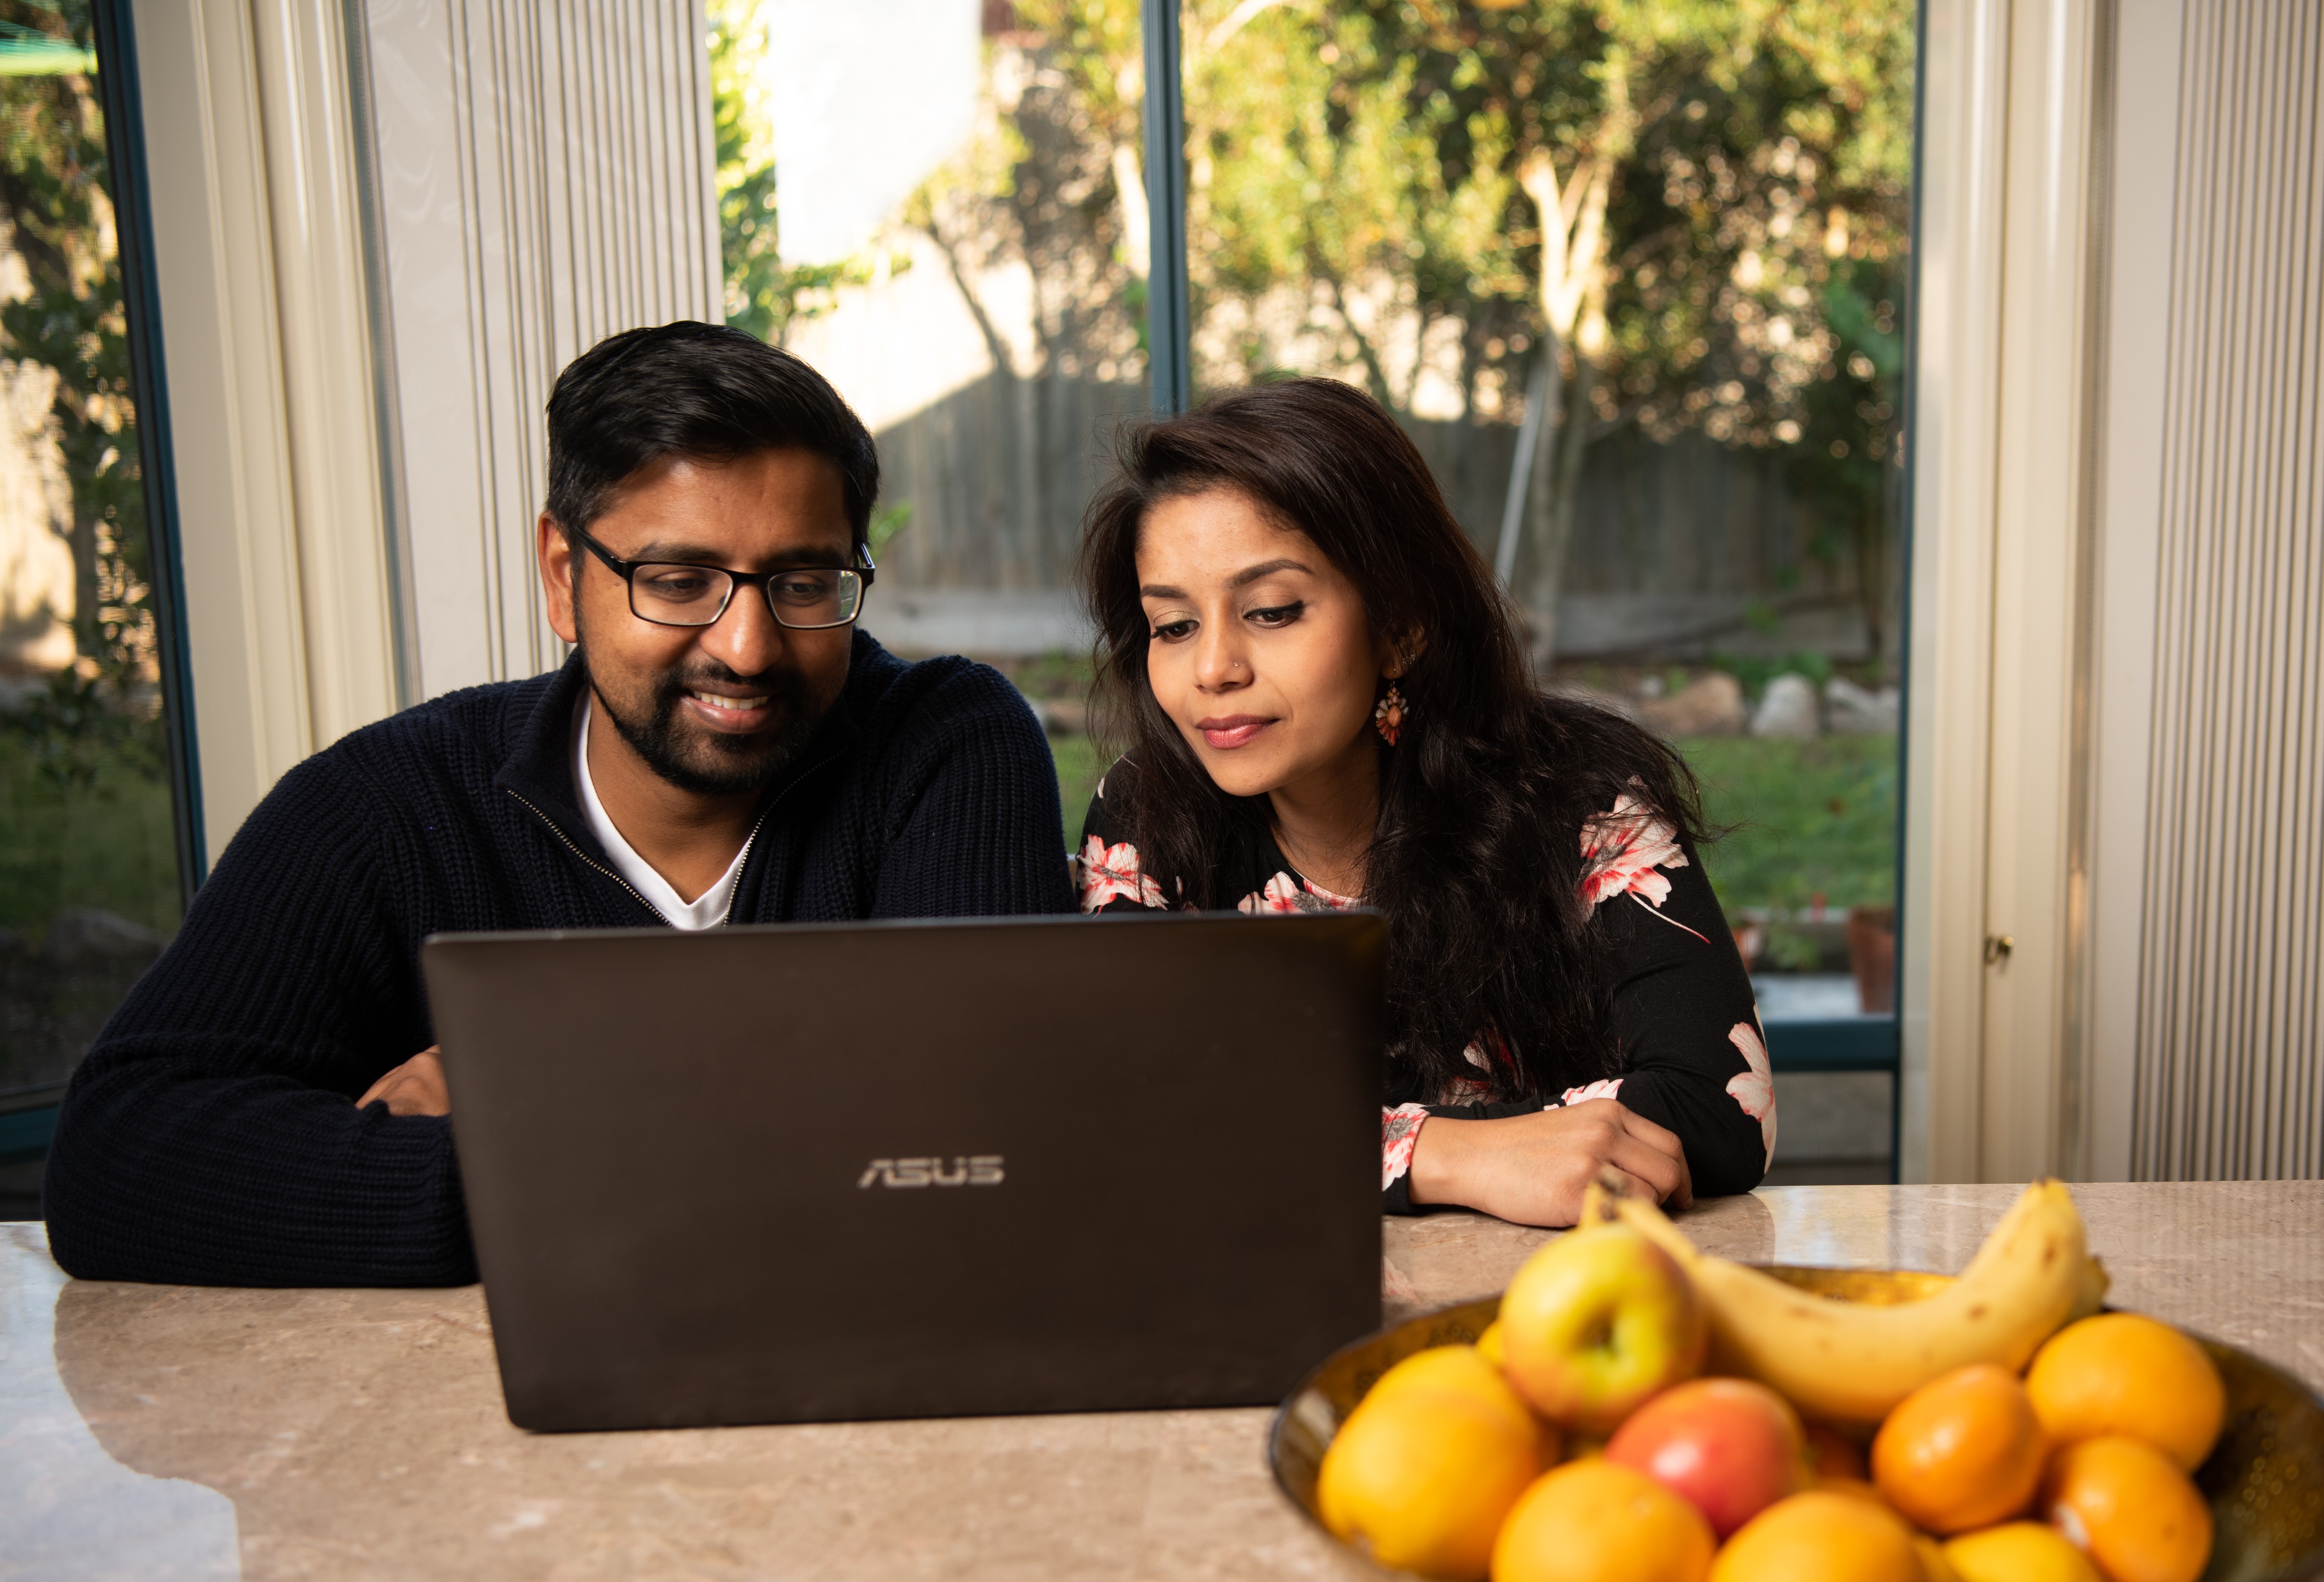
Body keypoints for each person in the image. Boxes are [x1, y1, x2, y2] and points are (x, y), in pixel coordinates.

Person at [43, 322, 1075, 1286]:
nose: (748, 647)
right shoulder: (389, 807)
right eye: (676, 581)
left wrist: (525, 1117)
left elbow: (977, 1132)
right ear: (559, 575)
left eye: (803, 584)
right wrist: (543, 1186)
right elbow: (118, 1158)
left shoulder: (944, 745)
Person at [1073, 378, 1772, 1225]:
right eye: (1174, 626)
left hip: (1564, 1304)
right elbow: (1126, 1120)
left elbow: (1721, 1108)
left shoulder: (1583, 799)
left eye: (1271, 610)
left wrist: (1300, 1140)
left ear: (1401, 626)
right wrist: (1447, 1155)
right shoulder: (1146, 816)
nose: (1213, 669)